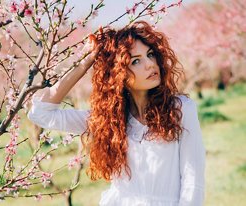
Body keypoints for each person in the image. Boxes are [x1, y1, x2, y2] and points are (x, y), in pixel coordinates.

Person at [27, 20, 206, 206]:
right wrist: (87, 59)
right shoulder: (107, 119)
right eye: (136, 61)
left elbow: (193, 180)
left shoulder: (179, 109)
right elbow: (41, 113)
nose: (150, 65)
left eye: (150, 55)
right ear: (118, 73)